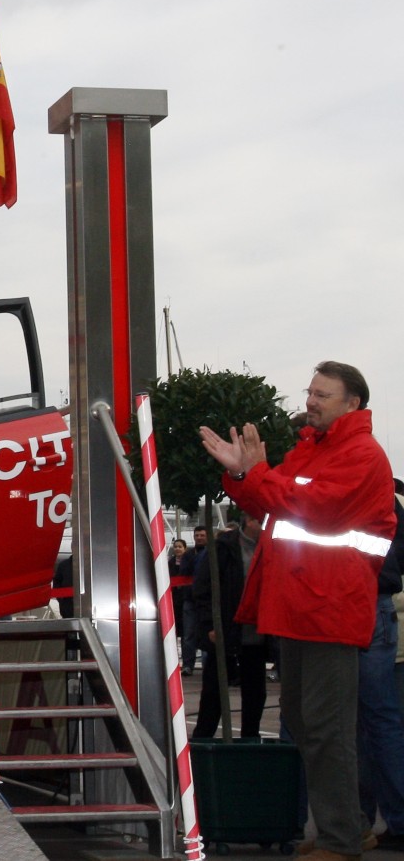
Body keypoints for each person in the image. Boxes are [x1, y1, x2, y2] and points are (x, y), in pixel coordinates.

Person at [200, 361, 397, 861]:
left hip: (328, 607)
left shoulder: (360, 453)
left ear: (352, 404)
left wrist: (254, 473)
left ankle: (341, 839)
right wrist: (241, 473)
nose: (310, 401)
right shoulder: (315, 448)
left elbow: (304, 504)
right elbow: (268, 499)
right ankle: (347, 827)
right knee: (306, 721)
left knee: (326, 726)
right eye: (310, 392)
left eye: (322, 395)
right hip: (301, 606)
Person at [356, 480, 404, 849]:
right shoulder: (388, 497)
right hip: (378, 608)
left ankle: (362, 822)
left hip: (365, 603)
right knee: (380, 721)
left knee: (370, 723)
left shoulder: (363, 487)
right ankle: (374, 821)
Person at [190, 513, 268, 739]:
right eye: (258, 520)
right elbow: (203, 588)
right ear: (247, 519)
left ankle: (250, 740)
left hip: (256, 634)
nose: (261, 526)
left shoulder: (270, 547)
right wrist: (210, 626)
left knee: (255, 692)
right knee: (214, 691)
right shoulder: (223, 547)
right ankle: (202, 739)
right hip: (226, 631)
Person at [180, 525, 208, 674]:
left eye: (202, 535)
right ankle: (188, 665)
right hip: (190, 599)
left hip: (205, 600)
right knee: (189, 634)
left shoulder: (211, 553)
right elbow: (183, 573)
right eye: (197, 535)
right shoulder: (189, 555)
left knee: (206, 633)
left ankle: (207, 664)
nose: (199, 538)